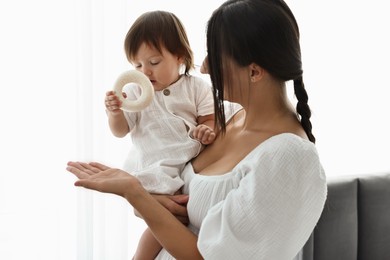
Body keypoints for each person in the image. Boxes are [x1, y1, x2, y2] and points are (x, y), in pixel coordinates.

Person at [67, 0, 327, 259]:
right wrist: (151, 198)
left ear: (255, 72)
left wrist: (134, 193)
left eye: (213, 56)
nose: (203, 67)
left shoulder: (288, 159)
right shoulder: (225, 119)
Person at [104, 11, 216, 259]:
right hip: (155, 168)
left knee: (174, 222)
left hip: (186, 165)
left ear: (179, 57)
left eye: (154, 63)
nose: (145, 72)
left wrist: (206, 130)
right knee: (162, 220)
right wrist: (115, 112)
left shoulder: (196, 87)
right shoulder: (134, 92)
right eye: (137, 65)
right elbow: (120, 131)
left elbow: (209, 119)